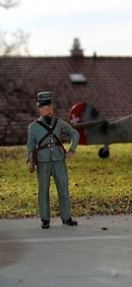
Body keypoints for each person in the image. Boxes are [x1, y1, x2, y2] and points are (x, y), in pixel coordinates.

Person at [26, 91, 80, 229]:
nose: (41, 109)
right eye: (40, 107)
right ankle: (45, 219)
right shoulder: (33, 127)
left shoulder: (59, 123)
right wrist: (29, 160)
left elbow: (75, 133)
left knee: (63, 189)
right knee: (43, 190)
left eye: (44, 106)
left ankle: (66, 217)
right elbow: (31, 145)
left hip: (58, 160)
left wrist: (72, 149)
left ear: (51, 107)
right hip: (43, 162)